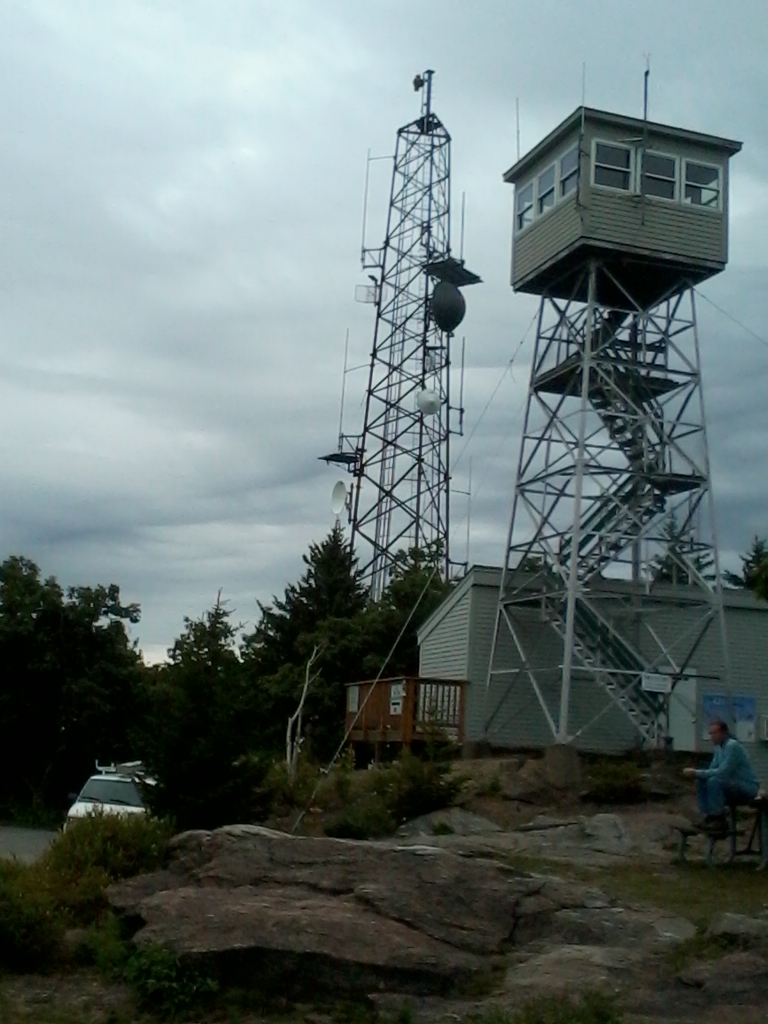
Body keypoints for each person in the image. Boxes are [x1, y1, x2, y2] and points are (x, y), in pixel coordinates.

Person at [683, 718, 759, 832]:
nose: (712, 736)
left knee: (714, 781)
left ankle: (719, 819)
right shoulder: (719, 748)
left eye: (715, 733)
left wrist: (696, 772)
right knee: (702, 781)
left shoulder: (732, 746)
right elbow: (713, 769)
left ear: (724, 733)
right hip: (730, 785)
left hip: (747, 787)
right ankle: (708, 816)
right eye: (710, 733)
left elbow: (723, 772)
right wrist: (698, 775)